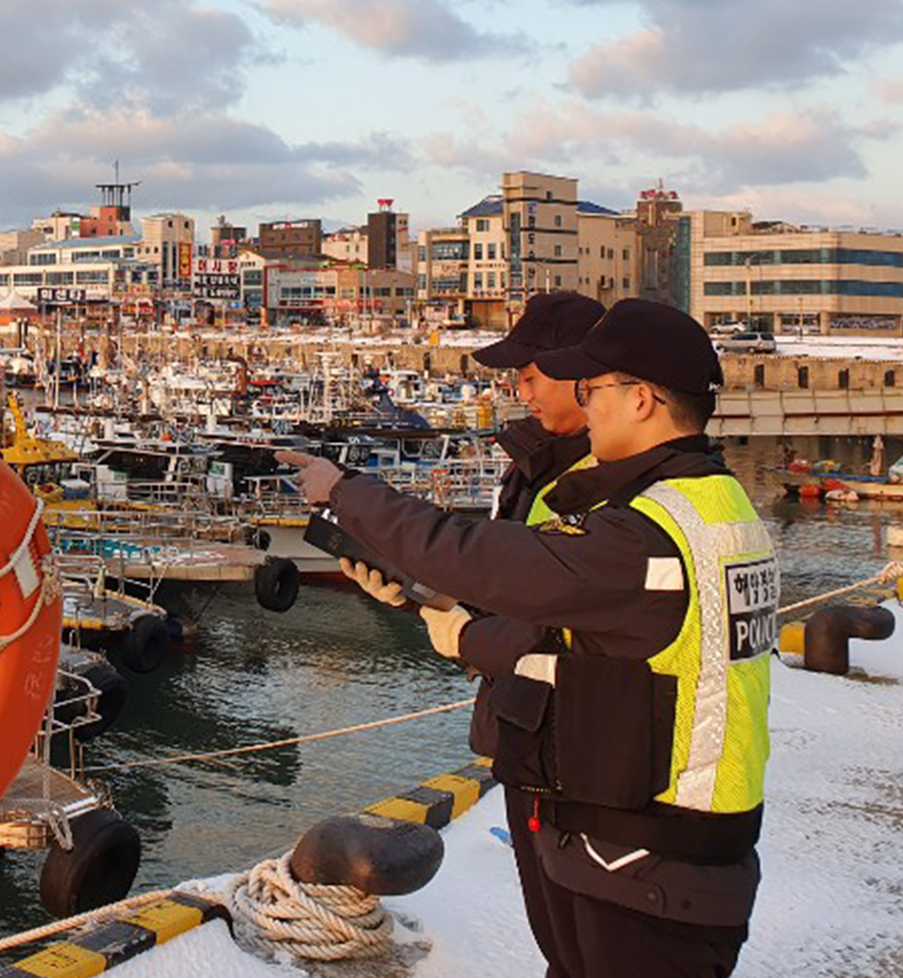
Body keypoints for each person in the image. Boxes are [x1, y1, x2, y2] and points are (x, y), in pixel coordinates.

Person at [281, 299, 770, 978]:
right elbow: (598, 648)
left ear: (644, 401)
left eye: (596, 390)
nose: (586, 404)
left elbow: (482, 558)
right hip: (665, 845)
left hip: (649, 857)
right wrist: (458, 624)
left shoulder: (646, 535)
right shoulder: (715, 508)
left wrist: (348, 493)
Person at [338, 291, 601, 973]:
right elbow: (504, 597)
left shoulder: (600, 487)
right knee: (562, 941)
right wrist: (418, 604)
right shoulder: (533, 469)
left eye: (531, 375)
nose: (518, 389)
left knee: (588, 943)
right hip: (527, 739)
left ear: (583, 375)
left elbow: (562, 622)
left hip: (578, 756)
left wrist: (465, 634)